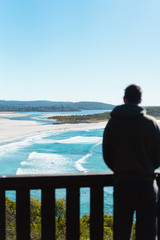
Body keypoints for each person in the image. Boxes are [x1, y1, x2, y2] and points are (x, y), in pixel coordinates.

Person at [102, 84, 160, 240]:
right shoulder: (151, 123)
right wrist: (146, 168)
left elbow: (107, 154)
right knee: (147, 233)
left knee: (121, 232)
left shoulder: (113, 123)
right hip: (147, 184)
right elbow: (158, 156)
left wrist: (120, 169)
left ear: (124, 99)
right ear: (140, 100)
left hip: (122, 183)